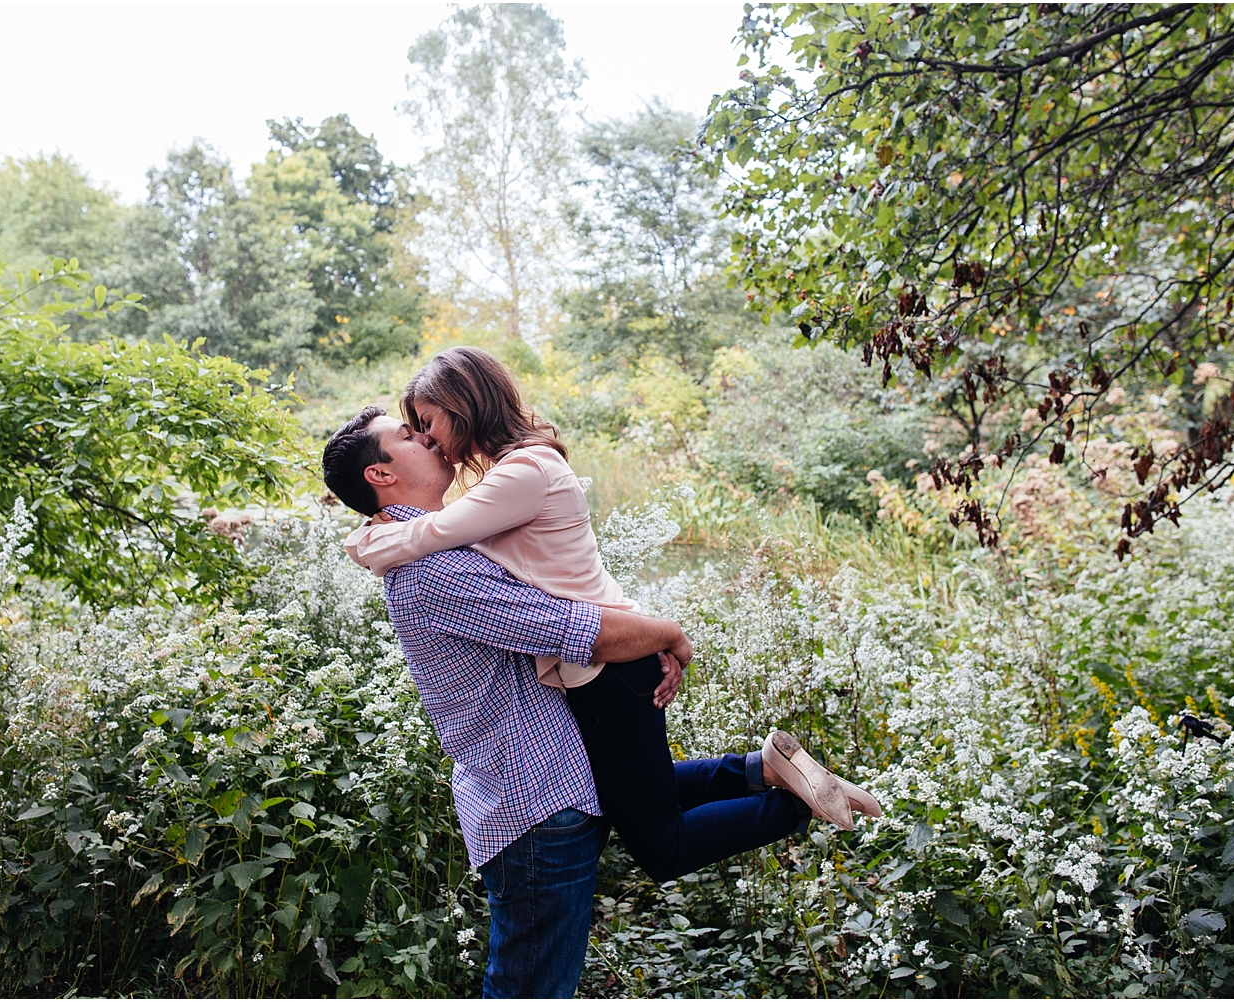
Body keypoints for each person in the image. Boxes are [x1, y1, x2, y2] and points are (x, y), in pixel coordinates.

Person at [321, 403, 831, 997]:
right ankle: (787, 791)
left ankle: (770, 773)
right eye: (409, 436)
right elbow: (576, 628)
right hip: (531, 809)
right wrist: (666, 634)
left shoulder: (434, 541)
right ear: (380, 475)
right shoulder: (430, 569)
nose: (430, 439)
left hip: (554, 785)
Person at [345, 347, 881, 852]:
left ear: (463, 407)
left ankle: (797, 805)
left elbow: (430, 534)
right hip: (606, 659)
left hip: (602, 662)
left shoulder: (522, 473)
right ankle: (766, 768)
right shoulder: (514, 473)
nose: (429, 439)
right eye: (415, 430)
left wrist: (369, 538)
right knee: (629, 790)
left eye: (428, 422)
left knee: (661, 844)